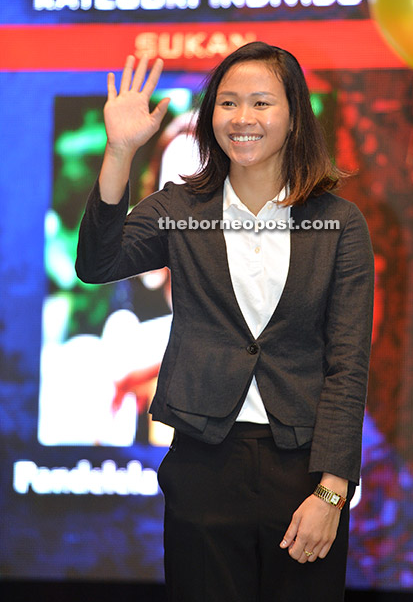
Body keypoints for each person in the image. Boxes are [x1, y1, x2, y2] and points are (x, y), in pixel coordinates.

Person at [76, 42, 374, 602]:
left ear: (293, 115)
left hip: (303, 473)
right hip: (203, 466)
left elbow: (348, 363)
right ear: (211, 116)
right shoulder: (179, 208)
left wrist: (332, 493)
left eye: (261, 103)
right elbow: (97, 263)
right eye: (228, 103)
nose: (243, 119)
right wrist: (119, 152)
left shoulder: (339, 223)